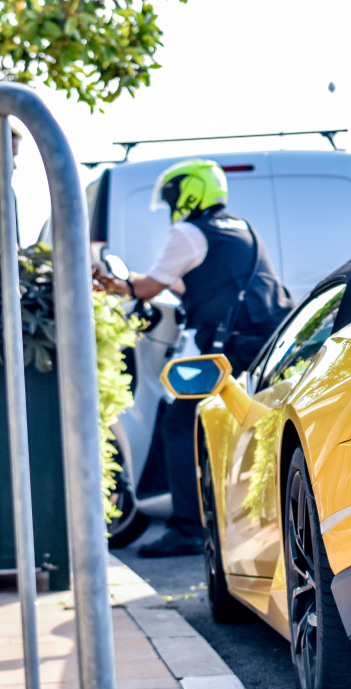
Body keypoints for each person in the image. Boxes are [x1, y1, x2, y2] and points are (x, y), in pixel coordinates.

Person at [94, 159, 293, 557]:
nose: (170, 204)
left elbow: (148, 288)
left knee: (179, 423)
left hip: (230, 348)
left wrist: (110, 284)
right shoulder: (241, 227)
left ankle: (187, 527)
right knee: (251, 425)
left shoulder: (187, 232)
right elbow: (204, 283)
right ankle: (251, 517)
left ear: (188, 192)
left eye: (171, 195)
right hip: (270, 337)